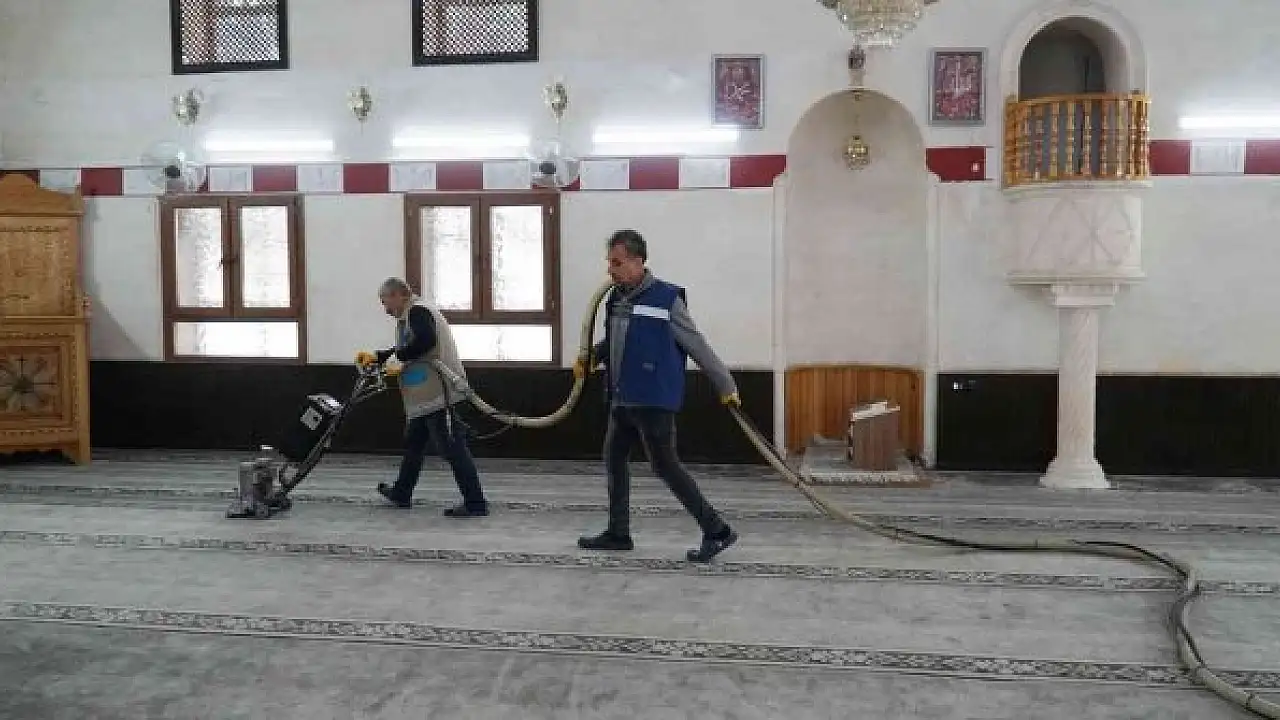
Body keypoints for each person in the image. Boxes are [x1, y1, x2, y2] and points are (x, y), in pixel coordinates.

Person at [575, 229, 741, 563]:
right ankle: (618, 533)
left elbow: (697, 344)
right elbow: (616, 340)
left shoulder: (667, 300)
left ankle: (717, 530)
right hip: (622, 398)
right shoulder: (616, 299)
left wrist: (726, 385)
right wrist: (592, 356)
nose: (610, 270)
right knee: (614, 459)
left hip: (653, 400)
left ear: (638, 261)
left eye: (617, 262)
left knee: (666, 467)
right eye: (609, 262)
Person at [356, 277, 489, 517]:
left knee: (452, 448)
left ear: (398, 295)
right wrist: (380, 356)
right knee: (414, 444)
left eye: (385, 303)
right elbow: (411, 344)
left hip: (439, 394)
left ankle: (476, 503)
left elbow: (426, 342)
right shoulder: (413, 315)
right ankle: (402, 492)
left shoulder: (417, 311)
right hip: (425, 397)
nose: (386, 310)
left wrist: (398, 359)